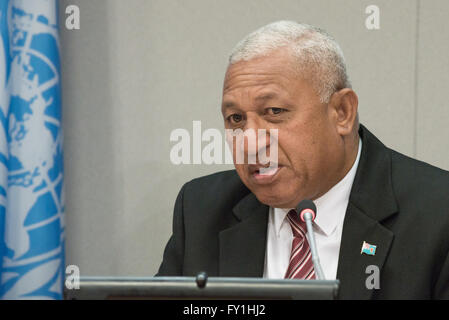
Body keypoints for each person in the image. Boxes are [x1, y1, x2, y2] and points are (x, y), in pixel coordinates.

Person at [157, 21, 449, 299]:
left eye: (274, 111)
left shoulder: (437, 215)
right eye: (236, 118)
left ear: (342, 112)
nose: (249, 142)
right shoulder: (201, 210)